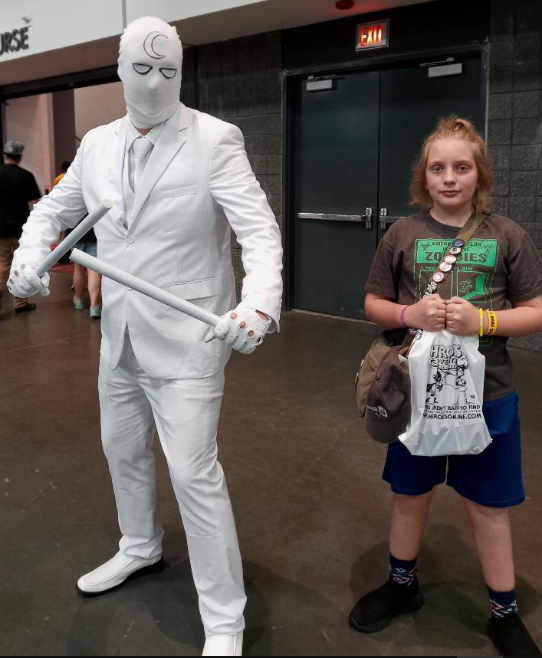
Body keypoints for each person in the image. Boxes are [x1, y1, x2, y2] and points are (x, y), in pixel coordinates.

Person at [8, 16, 282, 657]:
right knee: (122, 451)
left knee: (193, 474)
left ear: (181, 73)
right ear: (118, 69)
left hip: (190, 339)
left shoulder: (214, 139)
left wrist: (259, 305)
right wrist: (28, 256)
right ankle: (139, 546)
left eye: (168, 71)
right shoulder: (97, 144)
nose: (155, 83)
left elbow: (259, 231)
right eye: (141, 68)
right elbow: (52, 211)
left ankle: (225, 617)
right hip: (120, 337)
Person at [350, 117, 542, 657]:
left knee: (488, 505)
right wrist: (409, 313)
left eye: (462, 167)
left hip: (489, 396)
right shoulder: (402, 235)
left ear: (479, 175)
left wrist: (484, 322)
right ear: (424, 177)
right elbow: (373, 304)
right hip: (415, 396)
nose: (450, 178)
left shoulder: (508, 235)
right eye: (438, 168)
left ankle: (503, 612)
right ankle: (401, 585)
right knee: (410, 494)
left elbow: (535, 310)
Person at [0, 140, 41, 313]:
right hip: (21, 229)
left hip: (1, 229)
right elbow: (34, 203)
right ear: (19, 156)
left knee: (1, 264)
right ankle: (20, 303)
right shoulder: (26, 176)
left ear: (5, 154)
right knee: (20, 266)